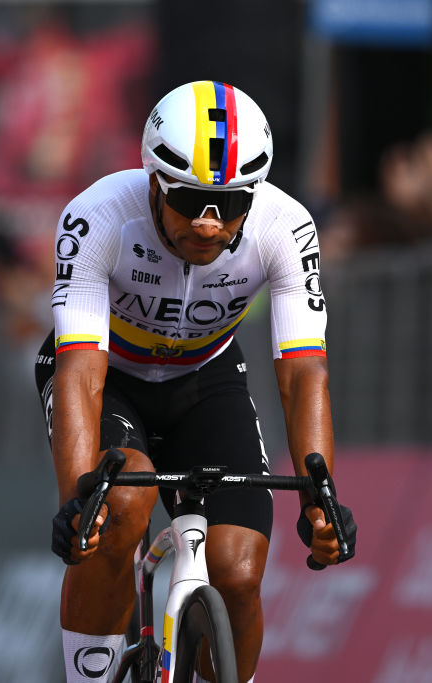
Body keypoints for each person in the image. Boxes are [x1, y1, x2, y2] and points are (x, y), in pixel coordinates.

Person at [34, 80, 357, 683]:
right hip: (111, 379)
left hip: (205, 378)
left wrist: (321, 496)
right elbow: (81, 372)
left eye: (231, 205)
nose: (209, 225)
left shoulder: (286, 227)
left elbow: (304, 372)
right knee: (118, 509)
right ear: (155, 182)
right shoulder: (98, 216)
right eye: (190, 200)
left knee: (238, 571)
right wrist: (79, 503)